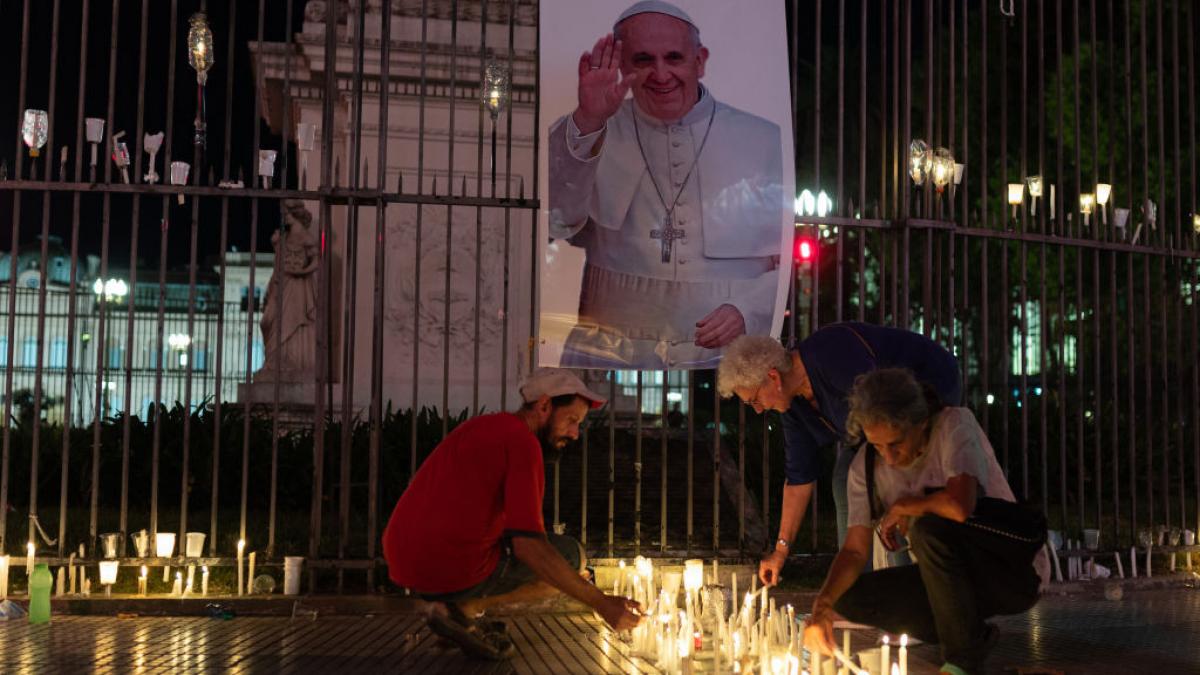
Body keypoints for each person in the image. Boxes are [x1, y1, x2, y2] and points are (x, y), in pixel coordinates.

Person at [548, 0, 787, 369]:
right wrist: (588, 120)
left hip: (723, 358)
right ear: (622, 65)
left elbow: (792, 261)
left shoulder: (764, 140)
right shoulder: (589, 127)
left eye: (674, 58)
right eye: (643, 60)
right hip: (608, 354)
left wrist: (747, 309)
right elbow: (554, 221)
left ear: (700, 60)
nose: (661, 75)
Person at [383, 368, 643, 660]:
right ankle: (462, 610)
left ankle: (452, 611)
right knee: (571, 558)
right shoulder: (523, 443)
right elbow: (529, 546)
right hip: (446, 563)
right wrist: (602, 603)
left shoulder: (485, 426)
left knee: (556, 562)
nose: (574, 433)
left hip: (403, 560)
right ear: (544, 405)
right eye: (571, 420)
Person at [803, 368, 1048, 675]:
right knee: (849, 597)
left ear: (920, 422)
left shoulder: (953, 425)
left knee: (929, 527)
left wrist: (907, 506)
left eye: (896, 443)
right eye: (878, 446)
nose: (888, 458)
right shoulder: (864, 466)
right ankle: (970, 634)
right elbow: (854, 551)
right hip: (946, 582)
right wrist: (822, 608)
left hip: (1011, 573)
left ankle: (963, 659)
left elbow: (960, 505)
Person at [716, 323, 961, 586]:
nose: (758, 410)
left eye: (754, 400)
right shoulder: (793, 407)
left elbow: (885, 416)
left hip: (926, 390)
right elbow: (799, 480)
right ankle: (856, 587)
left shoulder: (833, 354)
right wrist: (780, 551)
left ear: (773, 378)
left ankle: (908, 583)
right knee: (844, 479)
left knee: (884, 479)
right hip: (876, 427)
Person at [257, 200, 318, 381]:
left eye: (286, 213)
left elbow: (316, 260)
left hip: (297, 285)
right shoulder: (282, 238)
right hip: (280, 283)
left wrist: (302, 271)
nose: (283, 216)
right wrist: (269, 288)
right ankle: (274, 361)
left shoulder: (306, 237)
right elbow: (277, 267)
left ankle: (289, 362)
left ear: (294, 213)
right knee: (267, 321)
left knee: (291, 322)